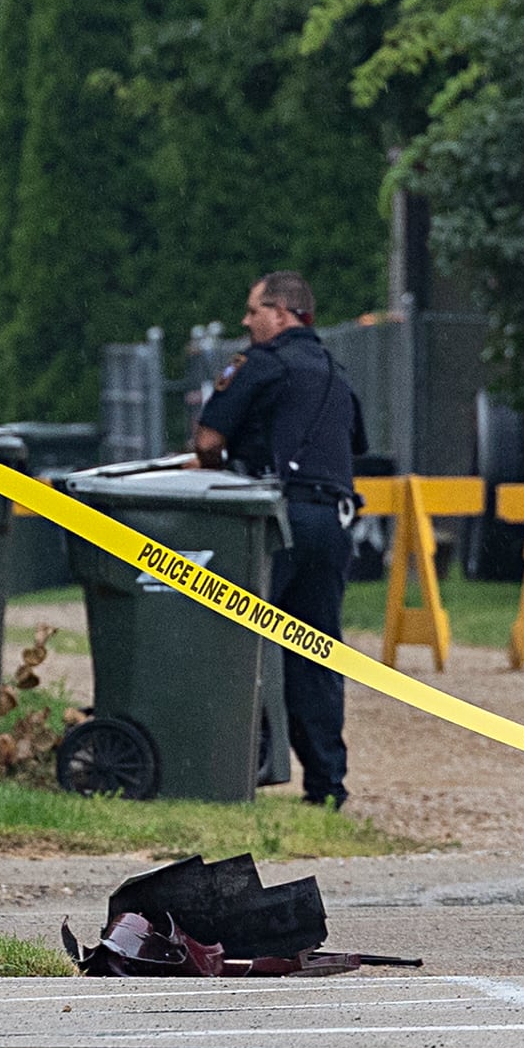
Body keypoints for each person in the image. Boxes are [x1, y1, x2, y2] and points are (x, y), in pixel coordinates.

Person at [194, 270, 366, 809]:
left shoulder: (260, 365)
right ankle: (327, 786)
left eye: (254, 311)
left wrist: (223, 468)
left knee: (234, 642)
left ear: (285, 313)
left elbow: (207, 441)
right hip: (331, 523)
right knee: (315, 651)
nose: (246, 322)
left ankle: (224, 772)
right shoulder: (337, 374)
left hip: (273, 522)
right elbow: (354, 444)